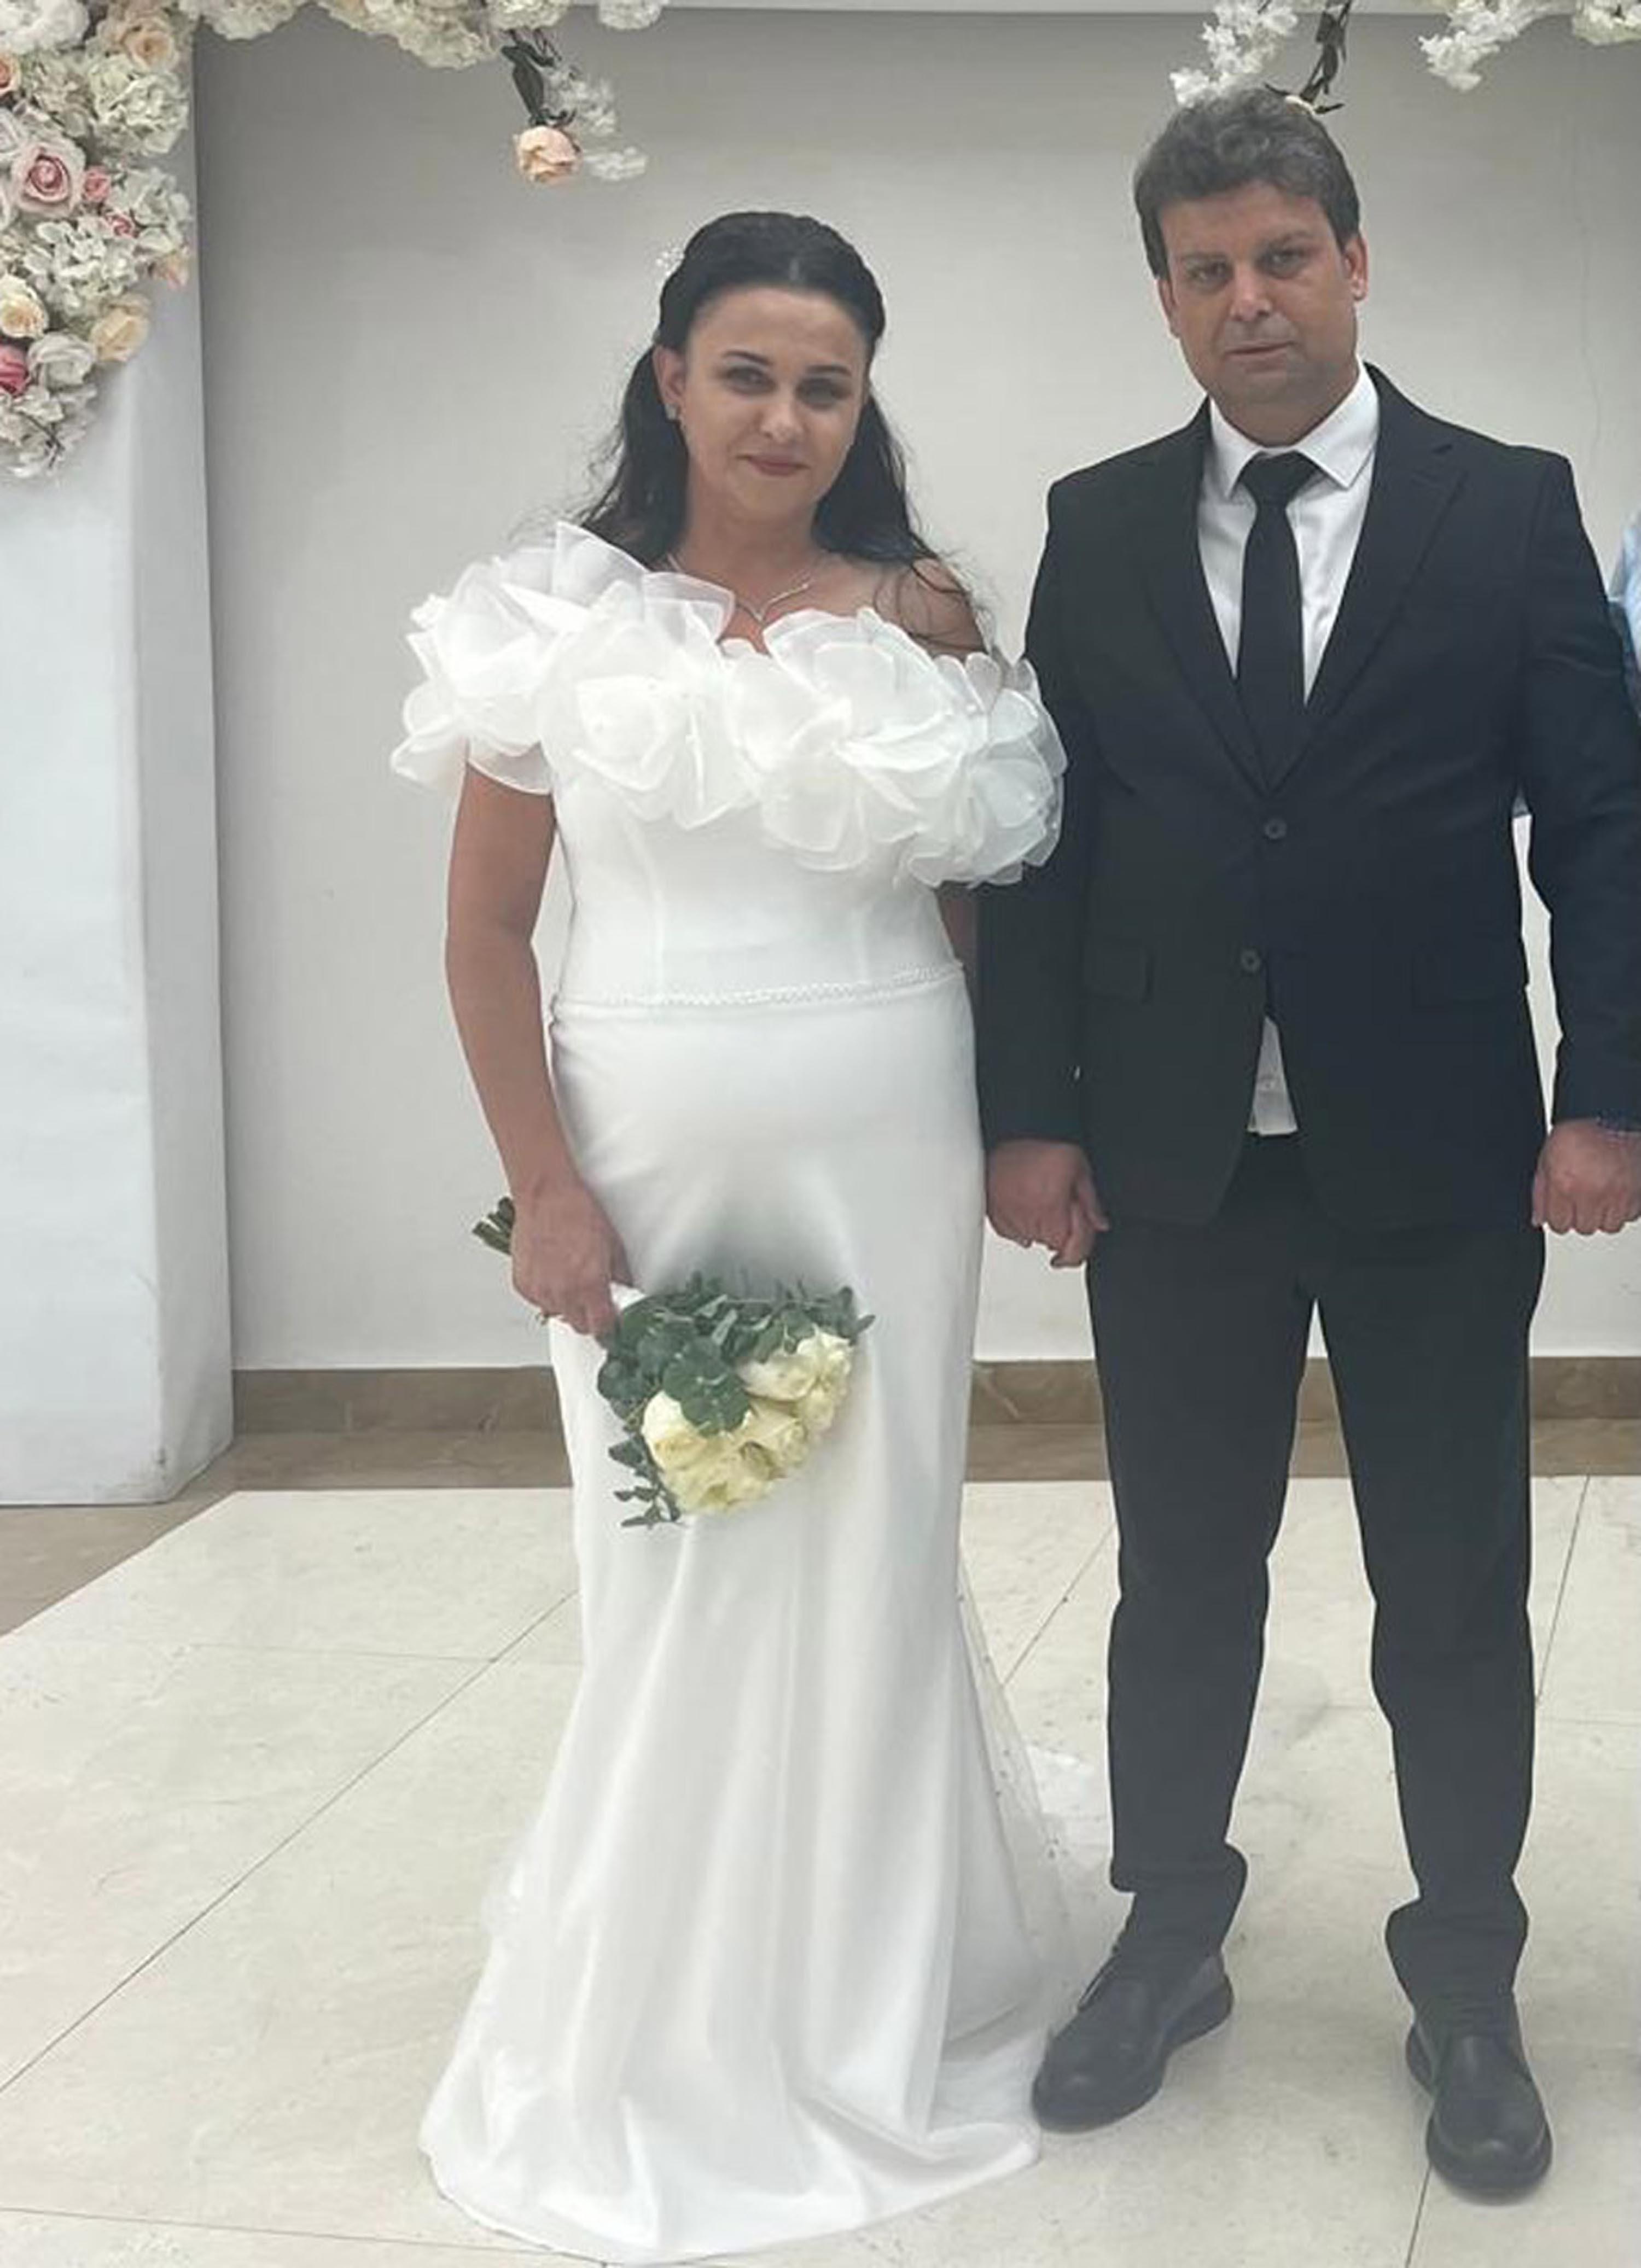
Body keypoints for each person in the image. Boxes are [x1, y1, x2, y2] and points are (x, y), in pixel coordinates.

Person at [978, 91, 1641, 2201]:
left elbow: (1601, 824)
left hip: (1440, 1153)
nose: (1247, 299)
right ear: (1165, 300)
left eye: (1282, 256)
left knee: (1451, 1583)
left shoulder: (1506, 510)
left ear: (1356, 263)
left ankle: (1468, 1977)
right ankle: (1170, 1935)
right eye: (1206, 270)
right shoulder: (1097, 525)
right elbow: (1046, 846)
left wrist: (1609, 1089)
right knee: (1183, 1576)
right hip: (1175, 1161)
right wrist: (1029, 1114)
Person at [392, 211, 1070, 2263]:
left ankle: (868, 1982)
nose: (786, 416)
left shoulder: (924, 611)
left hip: (889, 1132)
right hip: (644, 1146)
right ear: (671, 378)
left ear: (864, 407)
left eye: (826, 385)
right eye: (750, 373)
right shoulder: (555, 616)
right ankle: (667, 1994)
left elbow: (978, 908)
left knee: (875, 1543)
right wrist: (547, 1181)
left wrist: (1014, 1131)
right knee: (677, 1552)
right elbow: (486, 932)